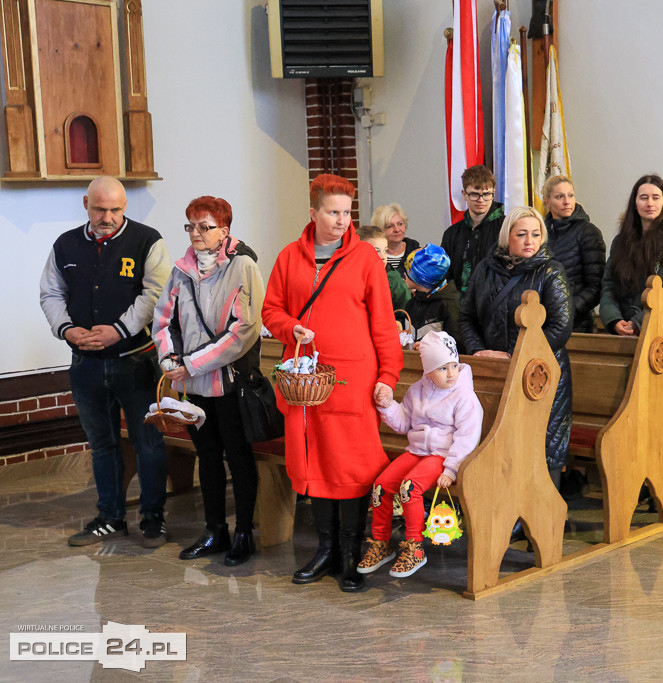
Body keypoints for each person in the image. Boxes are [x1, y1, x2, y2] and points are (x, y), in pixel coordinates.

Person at [262, 174, 403, 592]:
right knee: (316, 463)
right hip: (306, 381)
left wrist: (388, 376)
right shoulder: (289, 257)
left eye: (346, 212)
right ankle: (325, 551)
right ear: (313, 212)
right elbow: (271, 311)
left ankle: (351, 551)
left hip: (354, 380)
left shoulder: (365, 260)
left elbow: (383, 325)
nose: (342, 221)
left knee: (354, 466)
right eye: (332, 212)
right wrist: (292, 329)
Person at [39, 177, 170, 548]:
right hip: (86, 366)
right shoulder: (66, 244)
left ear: (125, 206)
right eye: (100, 209)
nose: (108, 217)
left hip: (136, 361)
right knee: (103, 445)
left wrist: (119, 329)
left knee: (148, 444)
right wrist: (65, 330)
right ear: (85, 203)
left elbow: (155, 293)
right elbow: (51, 292)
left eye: (116, 209)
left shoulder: (147, 239)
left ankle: (153, 519)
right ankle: (110, 517)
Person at [152, 196, 265, 566]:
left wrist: (192, 364)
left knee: (238, 457)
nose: (196, 233)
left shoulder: (243, 266)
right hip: (194, 386)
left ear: (224, 230)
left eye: (205, 226)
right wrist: (169, 360)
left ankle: (244, 533)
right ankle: (215, 529)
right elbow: (163, 320)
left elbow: (243, 330)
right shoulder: (181, 270)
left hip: (231, 382)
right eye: (191, 226)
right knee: (207, 456)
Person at [460, 206, 573, 487]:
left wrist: (516, 355)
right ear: (506, 236)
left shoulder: (551, 272)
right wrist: (479, 352)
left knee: (541, 442)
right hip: (494, 369)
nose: (529, 241)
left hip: (539, 372)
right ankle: (503, 509)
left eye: (535, 234)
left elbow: (559, 327)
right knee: (500, 441)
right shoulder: (486, 269)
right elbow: (467, 317)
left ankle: (541, 513)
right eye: (521, 234)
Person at [358, 331, 484, 578]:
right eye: (442, 368)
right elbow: (405, 422)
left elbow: (468, 435)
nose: (450, 374)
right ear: (427, 370)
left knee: (409, 487)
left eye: (453, 366)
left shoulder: (464, 395)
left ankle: (414, 547)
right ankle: (381, 542)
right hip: (417, 451)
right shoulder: (418, 390)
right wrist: (387, 405)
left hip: (443, 455)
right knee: (381, 485)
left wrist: (452, 468)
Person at [599, 174, 663, 449]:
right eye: (644, 197)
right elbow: (608, 285)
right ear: (635, 202)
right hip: (627, 336)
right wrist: (614, 319)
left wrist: (641, 320)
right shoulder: (622, 241)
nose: (650, 203)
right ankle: (640, 477)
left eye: (656, 197)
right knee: (631, 412)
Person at [542, 175, 607, 333]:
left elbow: (596, 286)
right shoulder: (540, 232)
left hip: (578, 323)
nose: (567, 201)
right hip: (543, 321)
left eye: (570, 195)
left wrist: (566, 312)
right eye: (559, 197)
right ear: (546, 201)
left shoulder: (588, 232)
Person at [441, 165, 505, 293]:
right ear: (464, 194)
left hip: (496, 304)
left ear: (493, 193)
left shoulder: (507, 228)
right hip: (460, 306)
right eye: (474, 194)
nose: (481, 200)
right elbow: (445, 275)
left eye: (486, 194)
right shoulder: (452, 234)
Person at [403, 244, 464, 352]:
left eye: (409, 271)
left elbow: (459, 344)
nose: (404, 274)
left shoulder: (449, 304)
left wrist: (432, 346)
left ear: (420, 277)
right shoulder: (413, 303)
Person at [357, 224, 411, 309]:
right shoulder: (352, 278)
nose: (383, 256)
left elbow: (406, 312)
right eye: (376, 251)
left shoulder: (394, 282)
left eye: (385, 250)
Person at [371, 203, 419, 277]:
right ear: (380, 230)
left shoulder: (417, 253)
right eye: (389, 226)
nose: (397, 229)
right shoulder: (372, 255)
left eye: (400, 224)